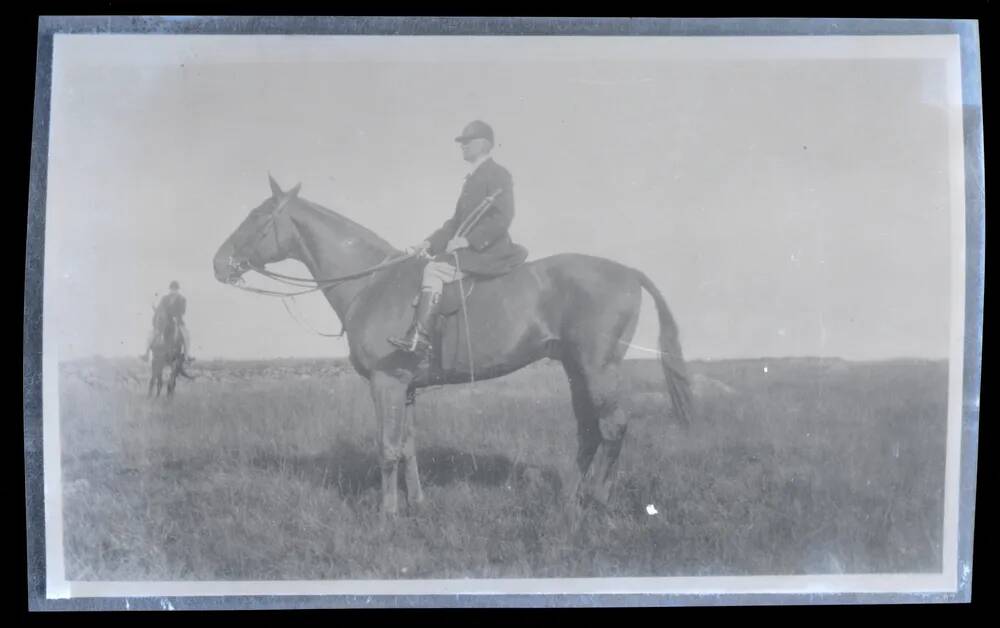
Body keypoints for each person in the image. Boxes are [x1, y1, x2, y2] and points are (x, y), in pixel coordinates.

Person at [388, 120, 528, 356]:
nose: (462, 146)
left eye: (467, 142)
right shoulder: (472, 179)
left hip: (489, 251)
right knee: (426, 265)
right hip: (473, 251)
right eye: (462, 143)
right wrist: (428, 243)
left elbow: (503, 217)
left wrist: (468, 241)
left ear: (483, 144)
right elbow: (455, 223)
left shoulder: (498, 174)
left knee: (433, 271)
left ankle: (419, 337)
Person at [141, 280, 192, 361]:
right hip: (164, 321)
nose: (173, 290)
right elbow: (159, 309)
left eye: (175, 289)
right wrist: (155, 309)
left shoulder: (182, 299)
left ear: (178, 290)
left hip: (177, 320)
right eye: (172, 289)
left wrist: (176, 315)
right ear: (170, 289)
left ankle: (187, 355)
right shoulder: (164, 298)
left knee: (187, 335)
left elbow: (183, 311)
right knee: (150, 334)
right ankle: (146, 354)